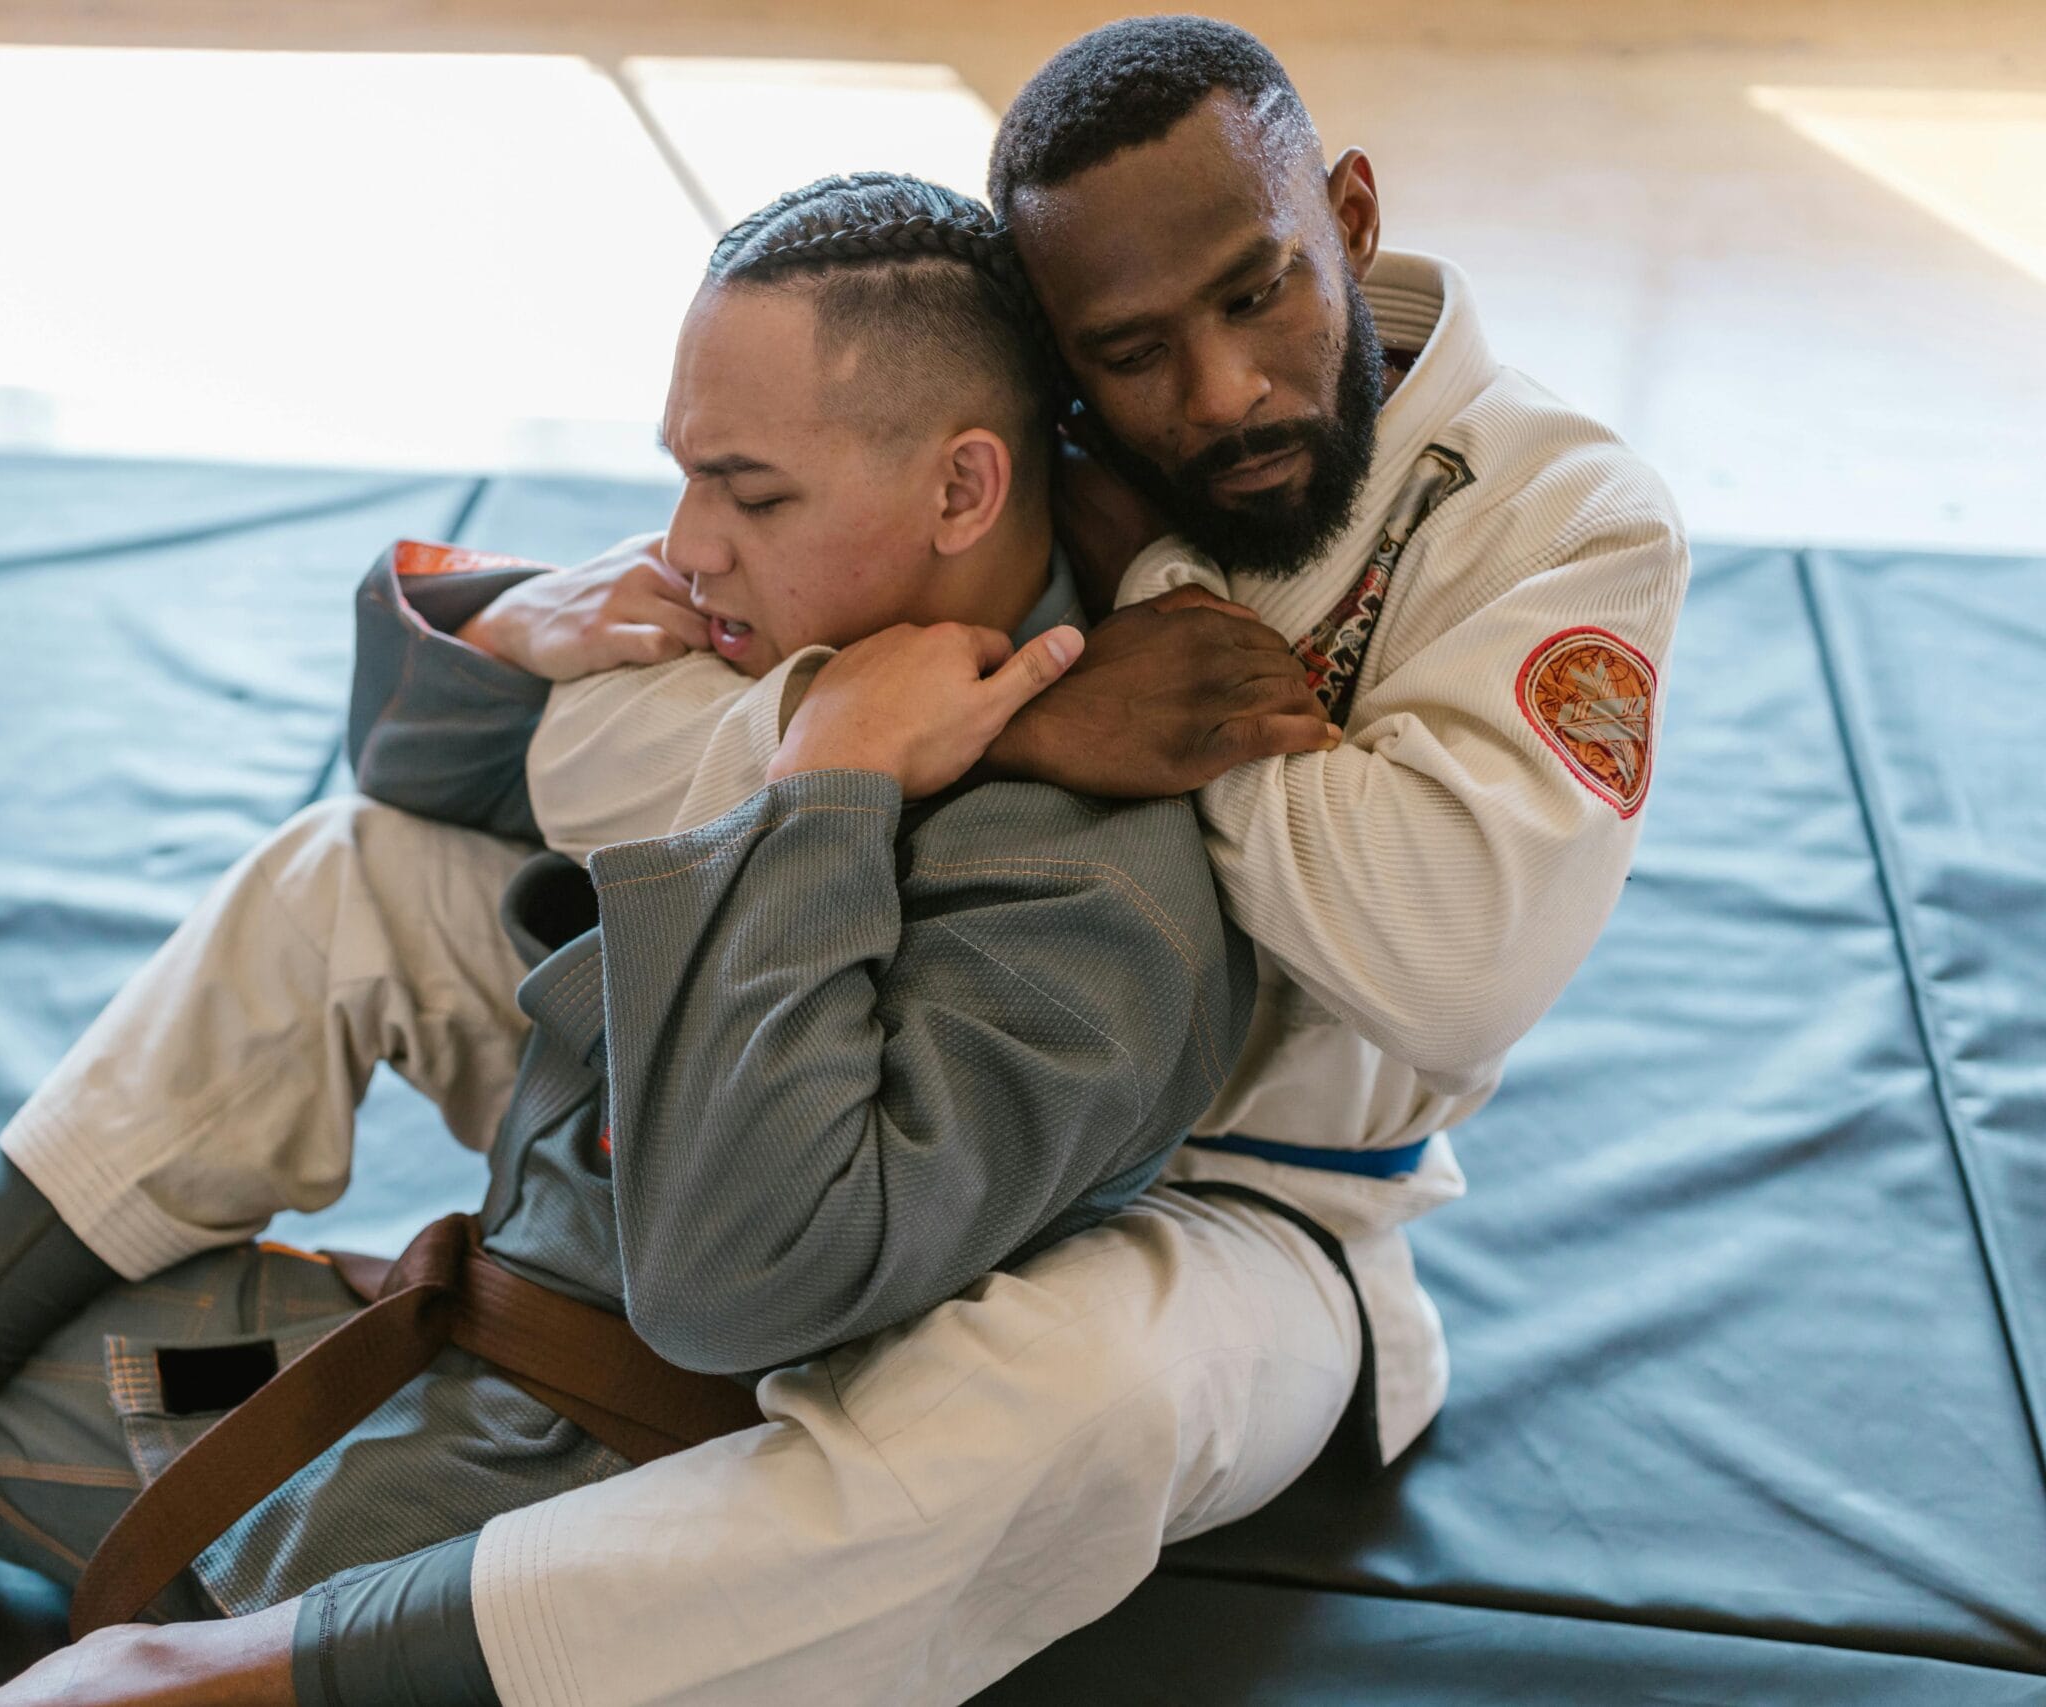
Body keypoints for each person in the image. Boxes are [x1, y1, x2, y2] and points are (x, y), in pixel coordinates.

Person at [0, 173, 1260, 1707]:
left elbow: (749, 1285)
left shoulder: (1090, 897)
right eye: (681, 476)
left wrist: (825, 800)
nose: (688, 540)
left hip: (517, 1511)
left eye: (750, 490)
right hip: (433, 1352)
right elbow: (421, 777)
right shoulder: (772, 647)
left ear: (961, 490)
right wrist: (521, 621)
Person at [340, 17, 1690, 1707]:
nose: (1215, 393)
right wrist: (906, 710)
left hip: (1241, 1218)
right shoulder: (1022, 462)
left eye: (1258, 292)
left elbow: (1455, 969)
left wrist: (1134, 648)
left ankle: (259, 1672)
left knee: (1043, 1400)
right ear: (1051, 370)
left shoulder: (1562, 514)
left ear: (1346, 216)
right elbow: (541, 744)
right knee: (358, 868)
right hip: (889, 1085)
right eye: (1128, 351)